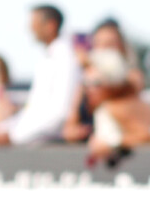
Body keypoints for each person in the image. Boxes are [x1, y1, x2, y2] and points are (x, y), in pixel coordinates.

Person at [61, 19, 150, 165]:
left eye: (110, 44)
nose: (103, 49)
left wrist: (113, 143)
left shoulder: (127, 87)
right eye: (99, 43)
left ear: (121, 46)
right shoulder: (85, 82)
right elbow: (70, 125)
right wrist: (74, 132)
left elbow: (127, 85)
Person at [0, 5, 81, 145]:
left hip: (50, 146)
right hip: (34, 141)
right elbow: (35, 109)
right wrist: (1, 130)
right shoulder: (50, 55)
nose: (31, 29)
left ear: (51, 25)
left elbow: (60, 113)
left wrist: (14, 137)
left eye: (34, 23)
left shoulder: (66, 57)